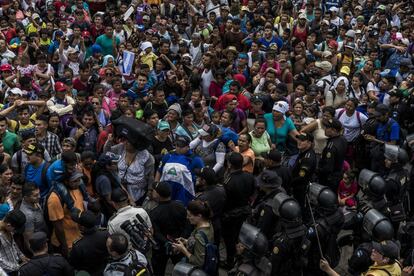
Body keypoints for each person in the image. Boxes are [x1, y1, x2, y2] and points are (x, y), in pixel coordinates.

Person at [222, 152, 256, 268]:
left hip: (231, 214)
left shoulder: (228, 181)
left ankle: (230, 261)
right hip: (244, 211)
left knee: (230, 240)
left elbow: (225, 200)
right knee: (239, 237)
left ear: (230, 165)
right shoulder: (249, 176)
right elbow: (252, 193)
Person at [149, 181, 187, 276]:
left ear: (157, 194)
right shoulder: (180, 206)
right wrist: (180, 242)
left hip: (162, 247)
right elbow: (187, 226)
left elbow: (156, 233)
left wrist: (168, 243)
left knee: (158, 271)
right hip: (180, 245)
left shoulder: (154, 212)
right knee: (182, 270)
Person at [47, 171, 86, 258]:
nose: (78, 183)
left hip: (79, 237)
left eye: (79, 180)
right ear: (65, 181)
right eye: (74, 181)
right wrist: (64, 246)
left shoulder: (77, 188)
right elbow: (57, 225)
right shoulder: (54, 198)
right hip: (67, 243)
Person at [156, 135, 204, 206]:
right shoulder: (168, 155)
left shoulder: (195, 159)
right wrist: (155, 188)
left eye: (181, 146)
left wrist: (197, 183)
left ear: (188, 147)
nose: (178, 147)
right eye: (176, 144)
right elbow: (159, 171)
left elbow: (204, 175)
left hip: (184, 195)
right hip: (166, 194)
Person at [172, 200, 215, 269]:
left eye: (189, 215)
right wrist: (186, 241)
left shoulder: (199, 236)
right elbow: (201, 244)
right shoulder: (208, 223)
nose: (187, 218)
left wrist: (183, 249)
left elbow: (198, 262)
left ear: (199, 216)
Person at [70, 210, 110, 275]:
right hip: (106, 269)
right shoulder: (105, 234)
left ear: (82, 227)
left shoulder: (78, 245)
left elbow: (74, 264)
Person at [318, 118, 347, 191]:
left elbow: (327, 168)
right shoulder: (342, 139)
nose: (325, 129)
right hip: (338, 174)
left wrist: (317, 171)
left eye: (327, 127)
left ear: (334, 130)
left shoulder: (331, 147)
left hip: (329, 179)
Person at [19, 182, 48, 253]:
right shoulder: (28, 215)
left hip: (44, 240)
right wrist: (39, 256)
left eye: (39, 193)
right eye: (35, 195)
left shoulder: (33, 202)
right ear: (26, 198)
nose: (39, 196)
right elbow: (28, 241)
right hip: (39, 249)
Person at [290, 133, 317, 208]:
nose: (299, 141)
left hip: (302, 188)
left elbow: (301, 177)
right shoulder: (303, 153)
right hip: (297, 186)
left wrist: (289, 182)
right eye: (298, 139)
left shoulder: (307, 157)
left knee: (301, 208)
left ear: (309, 143)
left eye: (302, 140)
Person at [0, 209, 28, 275]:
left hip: (15, 266)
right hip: (6, 272)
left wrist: (22, 256)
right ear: (9, 225)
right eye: (15, 229)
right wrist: (18, 267)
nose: (15, 231)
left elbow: (13, 245)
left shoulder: (8, 229)